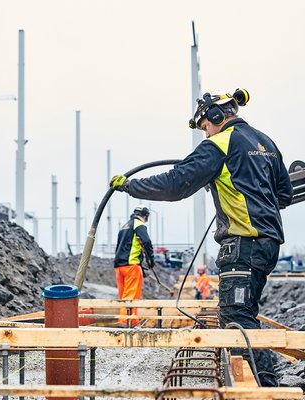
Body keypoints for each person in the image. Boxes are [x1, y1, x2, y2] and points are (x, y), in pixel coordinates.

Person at [110, 89, 293, 386]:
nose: (205, 134)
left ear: (216, 116)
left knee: (237, 321)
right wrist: (231, 185)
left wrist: (130, 186)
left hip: (243, 245)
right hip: (268, 244)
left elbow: (175, 184)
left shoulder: (219, 145)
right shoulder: (267, 143)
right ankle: (265, 382)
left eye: (205, 126)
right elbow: (283, 194)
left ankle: (263, 389)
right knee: (246, 313)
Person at [114, 206, 155, 328]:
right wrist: (150, 259)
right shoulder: (139, 225)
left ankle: (133, 321)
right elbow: (146, 242)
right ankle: (123, 321)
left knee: (124, 296)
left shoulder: (125, 226)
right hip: (131, 265)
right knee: (132, 296)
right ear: (145, 216)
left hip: (119, 266)